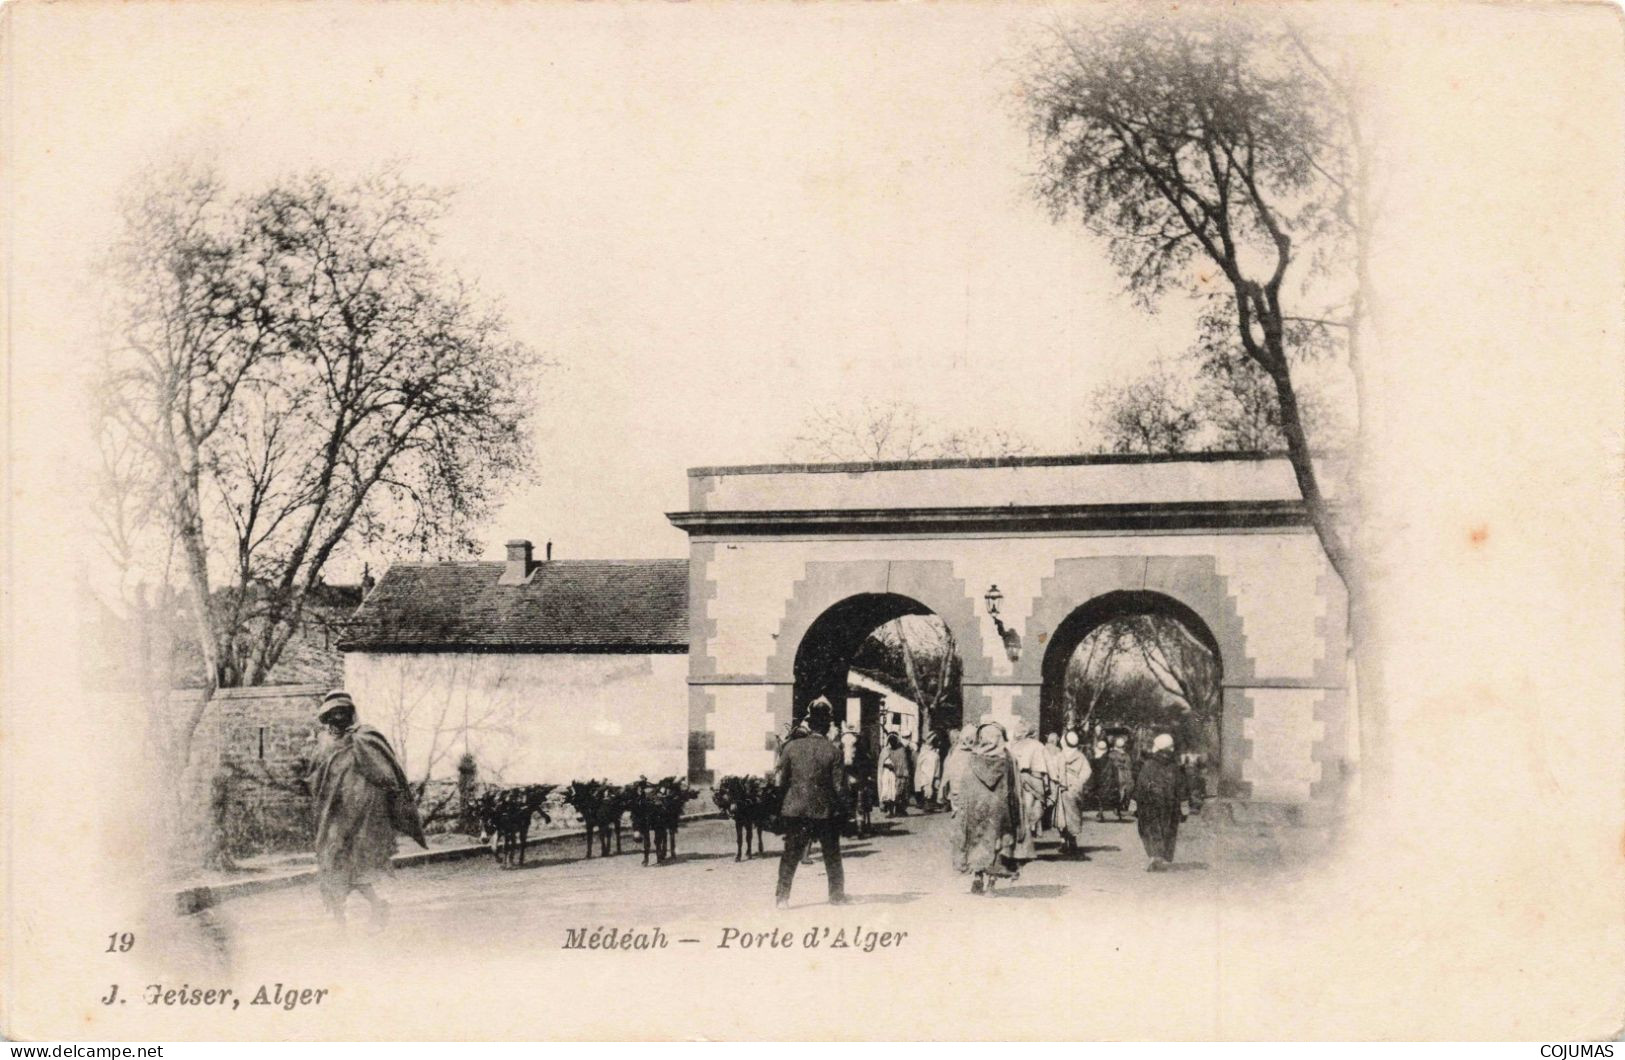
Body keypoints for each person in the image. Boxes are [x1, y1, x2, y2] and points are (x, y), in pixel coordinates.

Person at [305, 689, 426, 930]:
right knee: (331, 863)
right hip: (332, 815)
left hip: (361, 817)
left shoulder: (366, 737)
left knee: (354, 868)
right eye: (333, 714)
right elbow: (315, 777)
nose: (338, 718)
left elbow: (385, 775)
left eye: (342, 713)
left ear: (350, 714)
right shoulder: (323, 743)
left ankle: (368, 910)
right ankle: (344, 920)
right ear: (326, 717)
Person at [775, 699, 849, 907]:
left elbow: (781, 780)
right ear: (827, 727)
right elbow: (839, 787)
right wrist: (846, 809)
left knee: (790, 853)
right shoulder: (834, 751)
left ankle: (782, 897)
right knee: (832, 853)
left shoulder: (791, 747)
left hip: (795, 808)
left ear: (809, 724)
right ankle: (836, 896)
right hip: (823, 810)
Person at [950, 721, 1023, 895]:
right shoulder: (1008, 760)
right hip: (999, 809)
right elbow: (1014, 787)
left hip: (976, 809)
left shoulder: (972, 758)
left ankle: (977, 877)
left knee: (976, 842)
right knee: (997, 844)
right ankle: (991, 883)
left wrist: (962, 808)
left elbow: (965, 785)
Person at [1134, 733, 1191, 871]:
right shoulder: (1175, 767)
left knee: (1149, 830)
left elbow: (1140, 786)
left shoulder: (1148, 765)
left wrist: (1134, 804)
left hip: (1150, 804)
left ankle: (1154, 856)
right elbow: (1182, 787)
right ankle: (1163, 858)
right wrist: (1184, 806)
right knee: (1169, 830)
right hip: (1170, 805)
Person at [1008, 719, 1048, 858]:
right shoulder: (1011, 745)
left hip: (1025, 781)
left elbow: (1040, 768)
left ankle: (1022, 847)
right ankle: (1019, 847)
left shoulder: (1033, 746)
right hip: (1021, 781)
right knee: (1021, 813)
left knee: (1024, 813)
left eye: (1021, 729)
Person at [1053, 731, 1092, 857]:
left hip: (1061, 789)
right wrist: (1079, 782)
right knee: (1073, 815)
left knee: (1061, 816)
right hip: (1074, 789)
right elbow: (1087, 771)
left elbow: (1053, 770)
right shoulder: (1080, 757)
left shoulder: (1059, 756)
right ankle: (1072, 841)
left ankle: (1064, 841)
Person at [1096, 734, 1135, 822]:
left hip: (1113, 778)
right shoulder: (1127, 756)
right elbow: (1129, 767)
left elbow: (1107, 768)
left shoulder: (1110, 755)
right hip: (1126, 778)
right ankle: (1119, 808)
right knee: (1123, 790)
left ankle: (1104, 810)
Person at [881, 732, 912, 817]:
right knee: (891, 793)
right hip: (890, 775)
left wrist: (904, 772)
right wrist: (887, 765)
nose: (892, 743)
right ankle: (890, 811)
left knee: (901, 793)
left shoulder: (902, 750)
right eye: (891, 742)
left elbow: (905, 763)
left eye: (894, 741)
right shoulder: (888, 751)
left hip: (901, 775)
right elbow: (882, 763)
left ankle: (900, 810)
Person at [1041, 732, 1065, 830]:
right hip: (1054, 778)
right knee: (1052, 800)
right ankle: (1048, 821)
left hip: (1043, 777)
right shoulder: (1058, 751)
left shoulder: (1042, 749)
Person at [914, 732, 942, 812]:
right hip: (926, 775)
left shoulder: (934, 753)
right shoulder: (926, 753)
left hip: (933, 775)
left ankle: (930, 803)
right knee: (927, 788)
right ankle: (927, 803)